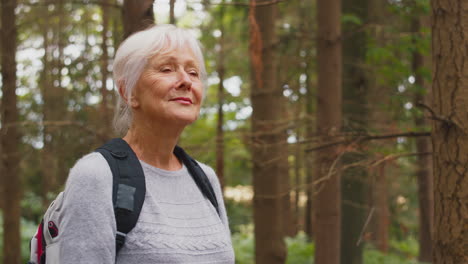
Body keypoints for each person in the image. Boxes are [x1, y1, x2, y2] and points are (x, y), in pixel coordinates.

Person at [58, 24, 235, 263]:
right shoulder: (96, 175)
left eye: (193, 72)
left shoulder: (205, 178)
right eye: (166, 69)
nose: (186, 81)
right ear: (128, 92)